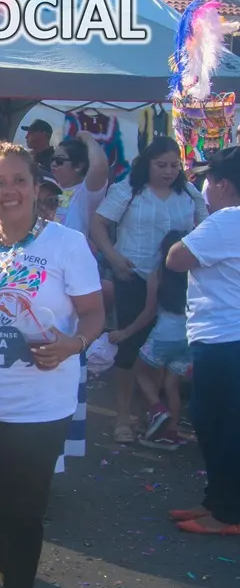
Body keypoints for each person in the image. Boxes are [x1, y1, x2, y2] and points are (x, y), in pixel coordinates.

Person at [0, 142, 104, 588]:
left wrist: (72, 345)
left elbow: (93, 316)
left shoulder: (67, 245)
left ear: (38, 187)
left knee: (26, 510)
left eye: (19, 179)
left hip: (42, 405)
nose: (8, 190)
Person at [91, 137, 207, 442]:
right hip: (133, 276)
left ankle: (151, 415)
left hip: (172, 282)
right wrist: (113, 257)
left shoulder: (188, 193)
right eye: (161, 165)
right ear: (148, 163)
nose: (168, 172)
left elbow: (204, 225)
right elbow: (99, 223)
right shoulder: (129, 189)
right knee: (130, 347)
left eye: (174, 166)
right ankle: (123, 417)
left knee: (160, 350)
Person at [164, 146, 240, 536]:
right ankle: (218, 501)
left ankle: (227, 513)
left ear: (224, 185)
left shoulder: (227, 219)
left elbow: (176, 257)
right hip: (226, 337)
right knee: (216, 423)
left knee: (219, 424)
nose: (204, 188)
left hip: (225, 338)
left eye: (209, 181)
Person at [109, 230, 190, 450]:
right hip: (188, 335)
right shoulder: (195, 274)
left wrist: (125, 333)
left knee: (138, 370)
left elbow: (149, 312)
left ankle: (156, 408)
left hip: (165, 333)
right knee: (172, 384)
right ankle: (171, 433)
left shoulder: (158, 275)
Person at [47, 132, 109, 237]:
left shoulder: (85, 193)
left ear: (79, 166)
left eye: (59, 160)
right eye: (52, 159)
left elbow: (99, 166)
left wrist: (88, 139)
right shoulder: (48, 188)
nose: (53, 164)